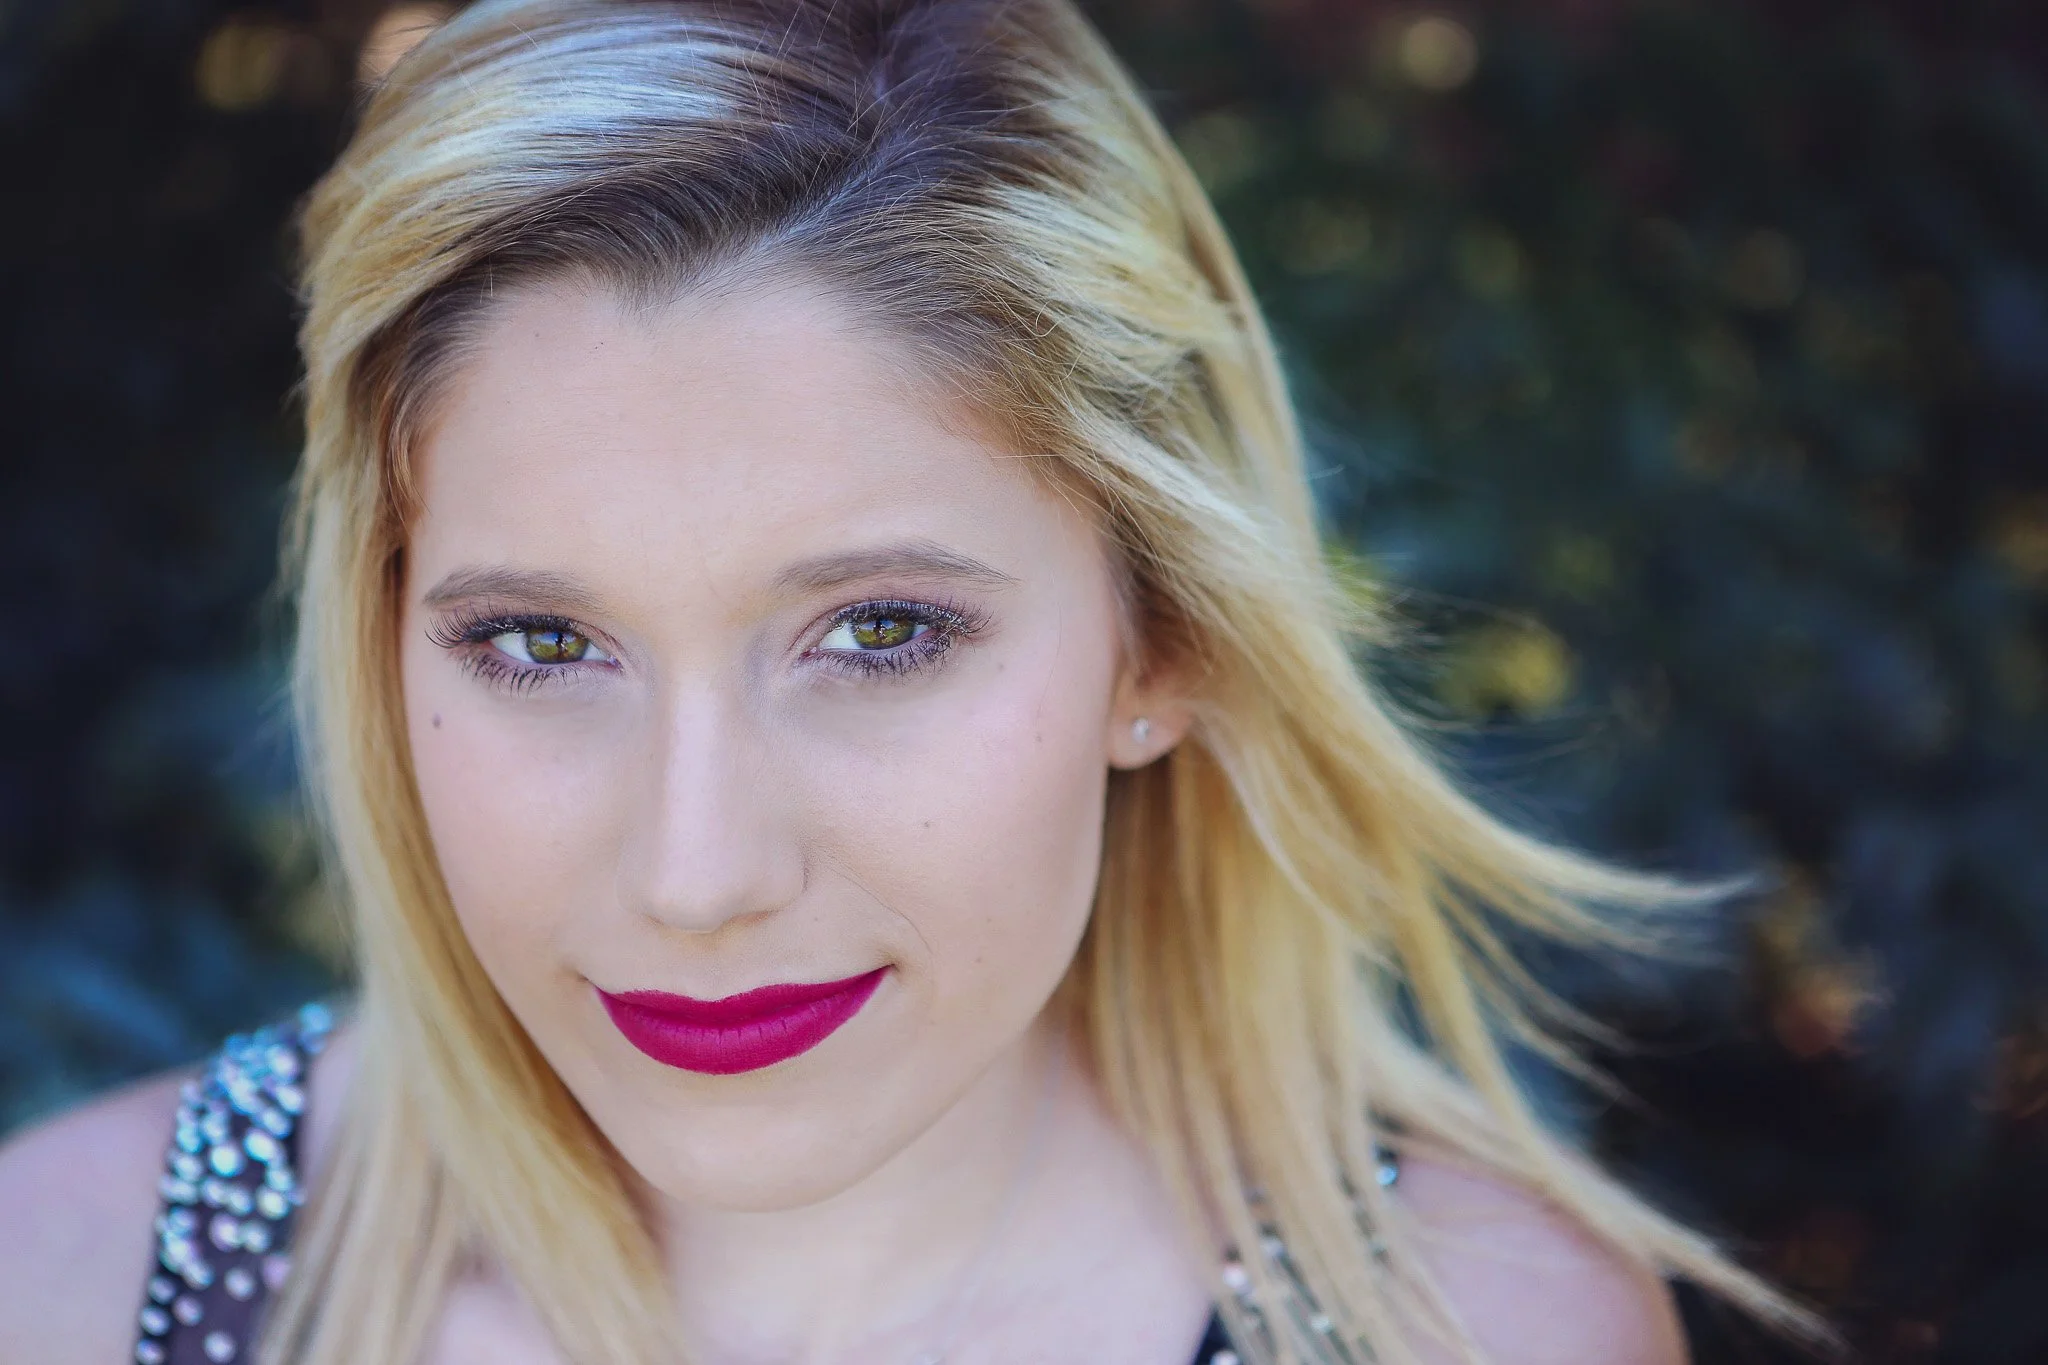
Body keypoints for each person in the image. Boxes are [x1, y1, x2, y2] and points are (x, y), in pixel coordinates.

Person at [0, 2, 1831, 1362]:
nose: (697, 873)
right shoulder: (70, 1291)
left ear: (1162, 638)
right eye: (542, 644)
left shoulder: (1478, 1336)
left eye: (881, 634)